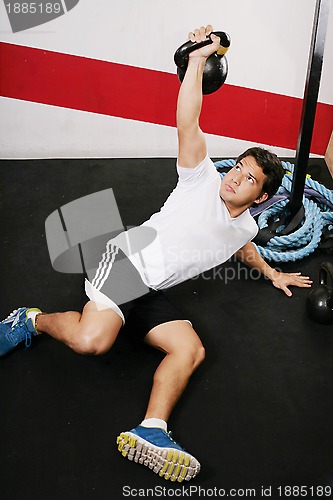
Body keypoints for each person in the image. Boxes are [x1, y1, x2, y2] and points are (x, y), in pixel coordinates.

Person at [0, 26, 312, 483]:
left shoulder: (247, 223)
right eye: (239, 168)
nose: (235, 178)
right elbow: (188, 119)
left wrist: (271, 273)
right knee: (94, 341)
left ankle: (152, 430)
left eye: (248, 179)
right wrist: (197, 62)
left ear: (261, 198)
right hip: (124, 265)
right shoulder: (200, 179)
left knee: (191, 349)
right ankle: (29, 320)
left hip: (150, 289)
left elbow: (239, 243)